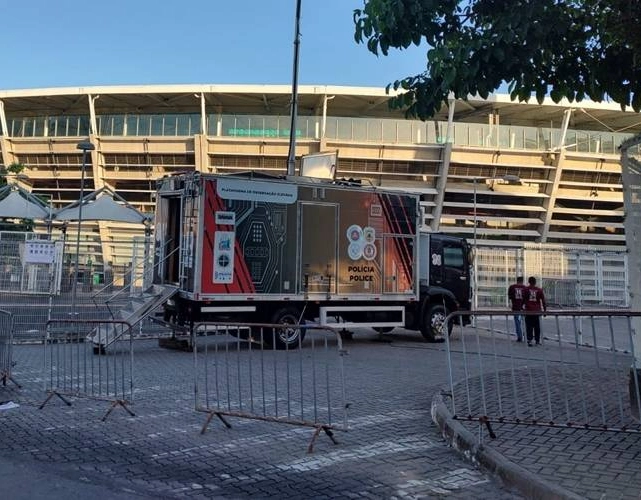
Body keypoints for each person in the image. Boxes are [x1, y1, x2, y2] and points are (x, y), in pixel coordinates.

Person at [523, 276, 547, 346]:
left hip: (529, 310)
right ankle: (537, 340)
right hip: (537, 311)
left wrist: (522, 307)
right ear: (535, 282)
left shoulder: (526, 289)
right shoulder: (539, 290)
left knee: (529, 326)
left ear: (529, 282)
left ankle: (529, 340)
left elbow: (523, 299)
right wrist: (545, 310)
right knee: (537, 326)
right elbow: (543, 300)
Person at [507, 276, 526, 342]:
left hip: (515, 307)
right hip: (523, 307)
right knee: (525, 322)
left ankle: (519, 336)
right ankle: (526, 336)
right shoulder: (525, 288)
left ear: (517, 280)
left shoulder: (512, 287)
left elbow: (509, 296)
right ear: (522, 281)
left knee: (517, 322)